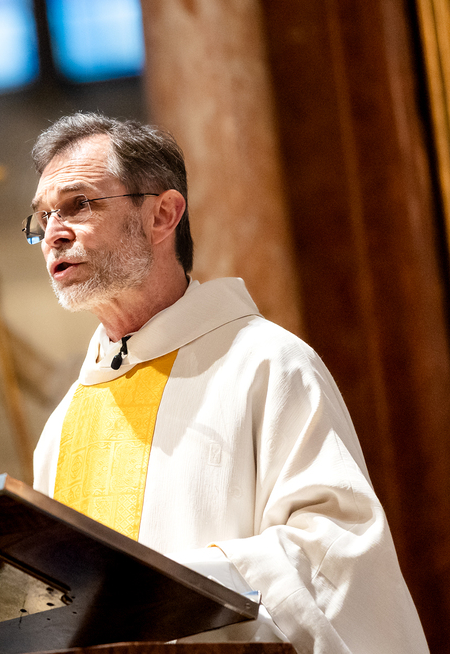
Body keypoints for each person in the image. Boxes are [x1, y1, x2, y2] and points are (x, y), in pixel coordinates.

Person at [24, 113, 428, 654]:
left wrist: (164, 596)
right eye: (43, 216)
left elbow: (337, 560)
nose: (54, 233)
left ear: (163, 215)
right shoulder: (64, 426)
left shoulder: (268, 365)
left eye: (78, 205)